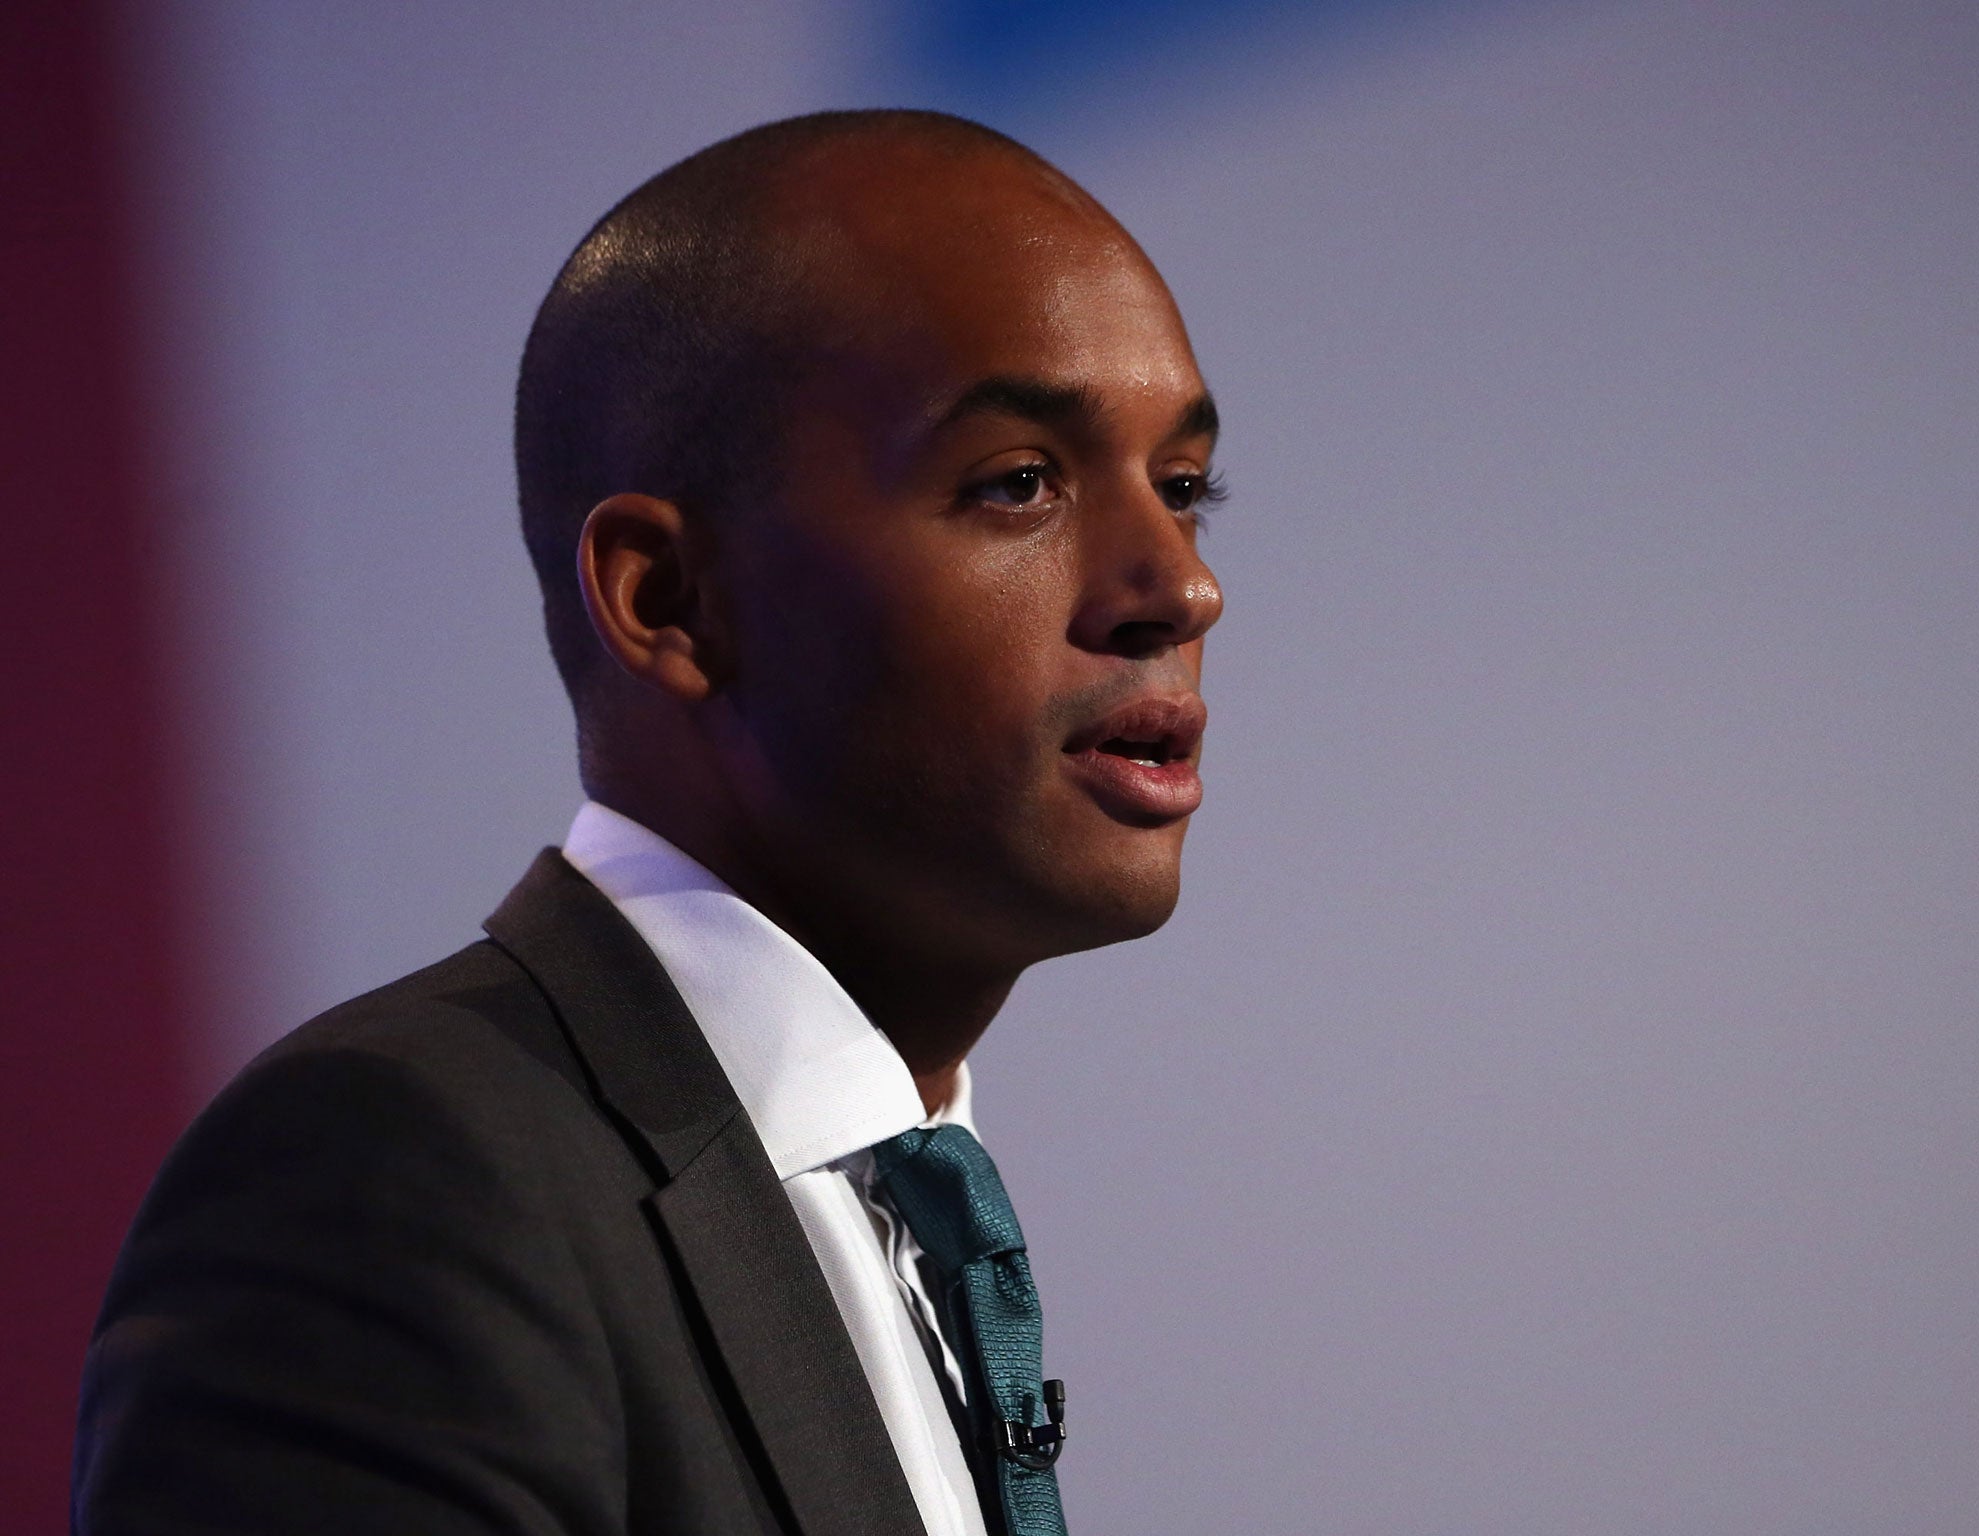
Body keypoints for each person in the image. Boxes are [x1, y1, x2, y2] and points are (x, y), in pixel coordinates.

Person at [73, 109, 1224, 1536]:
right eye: (1017, 484)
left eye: (1184, 490)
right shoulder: (397, 1181)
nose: (1177, 587)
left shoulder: (902, 1220)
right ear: (666, 601)